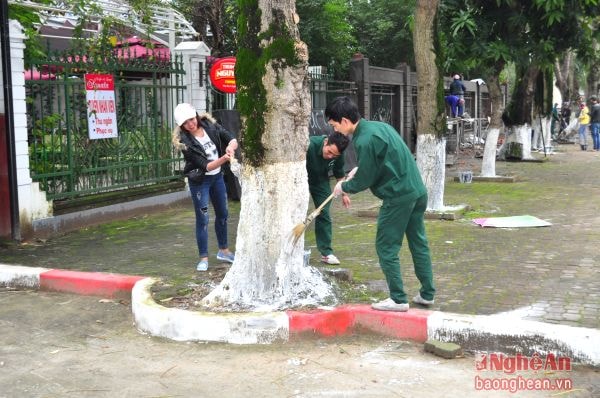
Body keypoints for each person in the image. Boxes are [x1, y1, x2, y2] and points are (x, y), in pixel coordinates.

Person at [325, 96, 435, 312]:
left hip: (398, 197)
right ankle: (427, 293)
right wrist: (359, 169)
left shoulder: (364, 139)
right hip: (417, 190)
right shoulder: (378, 127)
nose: (335, 130)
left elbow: (365, 179)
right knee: (418, 242)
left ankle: (398, 298)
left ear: (345, 121)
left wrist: (344, 187)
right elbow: (383, 160)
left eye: (334, 125)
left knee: (386, 247)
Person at [172, 103, 238, 271]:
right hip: (200, 181)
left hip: (217, 178)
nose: (191, 124)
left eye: (192, 119)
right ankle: (203, 257)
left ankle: (224, 251)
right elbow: (206, 165)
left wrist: (231, 146)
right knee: (203, 219)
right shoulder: (185, 142)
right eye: (186, 123)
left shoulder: (209, 124)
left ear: (196, 115)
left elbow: (230, 137)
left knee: (223, 213)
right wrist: (225, 158)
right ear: (182, 126)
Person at [306, 132, 351, 265]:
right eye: (329, 152)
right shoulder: (310, 144)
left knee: (324, 212)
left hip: (320, 181)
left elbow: (339, 173)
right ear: (326, 142)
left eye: (334, 155)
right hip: (299, 178)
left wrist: (345, 194)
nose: (330, 156)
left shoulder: (339, 154)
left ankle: (326, 253)